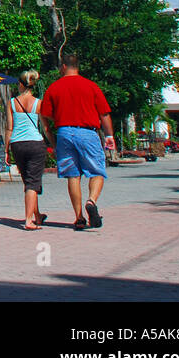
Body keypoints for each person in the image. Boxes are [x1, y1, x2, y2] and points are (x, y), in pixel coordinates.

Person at [38, 55, 116, 231]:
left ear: (64, 66)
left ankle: (79, 217)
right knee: (96, 171)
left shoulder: (54, 87)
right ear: (77, 67)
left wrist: (61, 118)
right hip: (87, 132)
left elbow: (46, 113)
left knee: (73, 175)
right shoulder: (91, 86)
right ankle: (91, 201)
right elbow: (104, 114)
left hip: (64, 132)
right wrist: (109, 135)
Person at [6, 71, 48, 230]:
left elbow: (9, 128)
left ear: (21, 84)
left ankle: (37, 215)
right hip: (35, 143)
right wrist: (54, 144)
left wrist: (6, 150)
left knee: (29, 181)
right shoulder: (39, 103)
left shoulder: (12, 102)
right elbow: (45, 128)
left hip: (17, 144)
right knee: (32, 183)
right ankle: (29, 220)